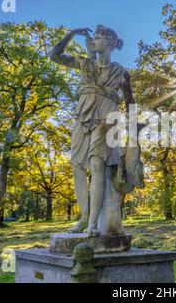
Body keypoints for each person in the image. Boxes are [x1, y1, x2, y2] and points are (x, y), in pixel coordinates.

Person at [50, 25, 134, 235]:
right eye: (93, 38)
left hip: (107, 117)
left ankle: (92, 224)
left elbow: (131, 102)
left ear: (109, 42)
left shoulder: (120, 73)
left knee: (97, 164)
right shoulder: (84, 63)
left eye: (97, 38)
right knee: (77, 165)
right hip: (83, 116)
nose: (93, 41)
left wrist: (133, 130)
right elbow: (54, 55)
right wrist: (70, 35)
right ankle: (84, 217)